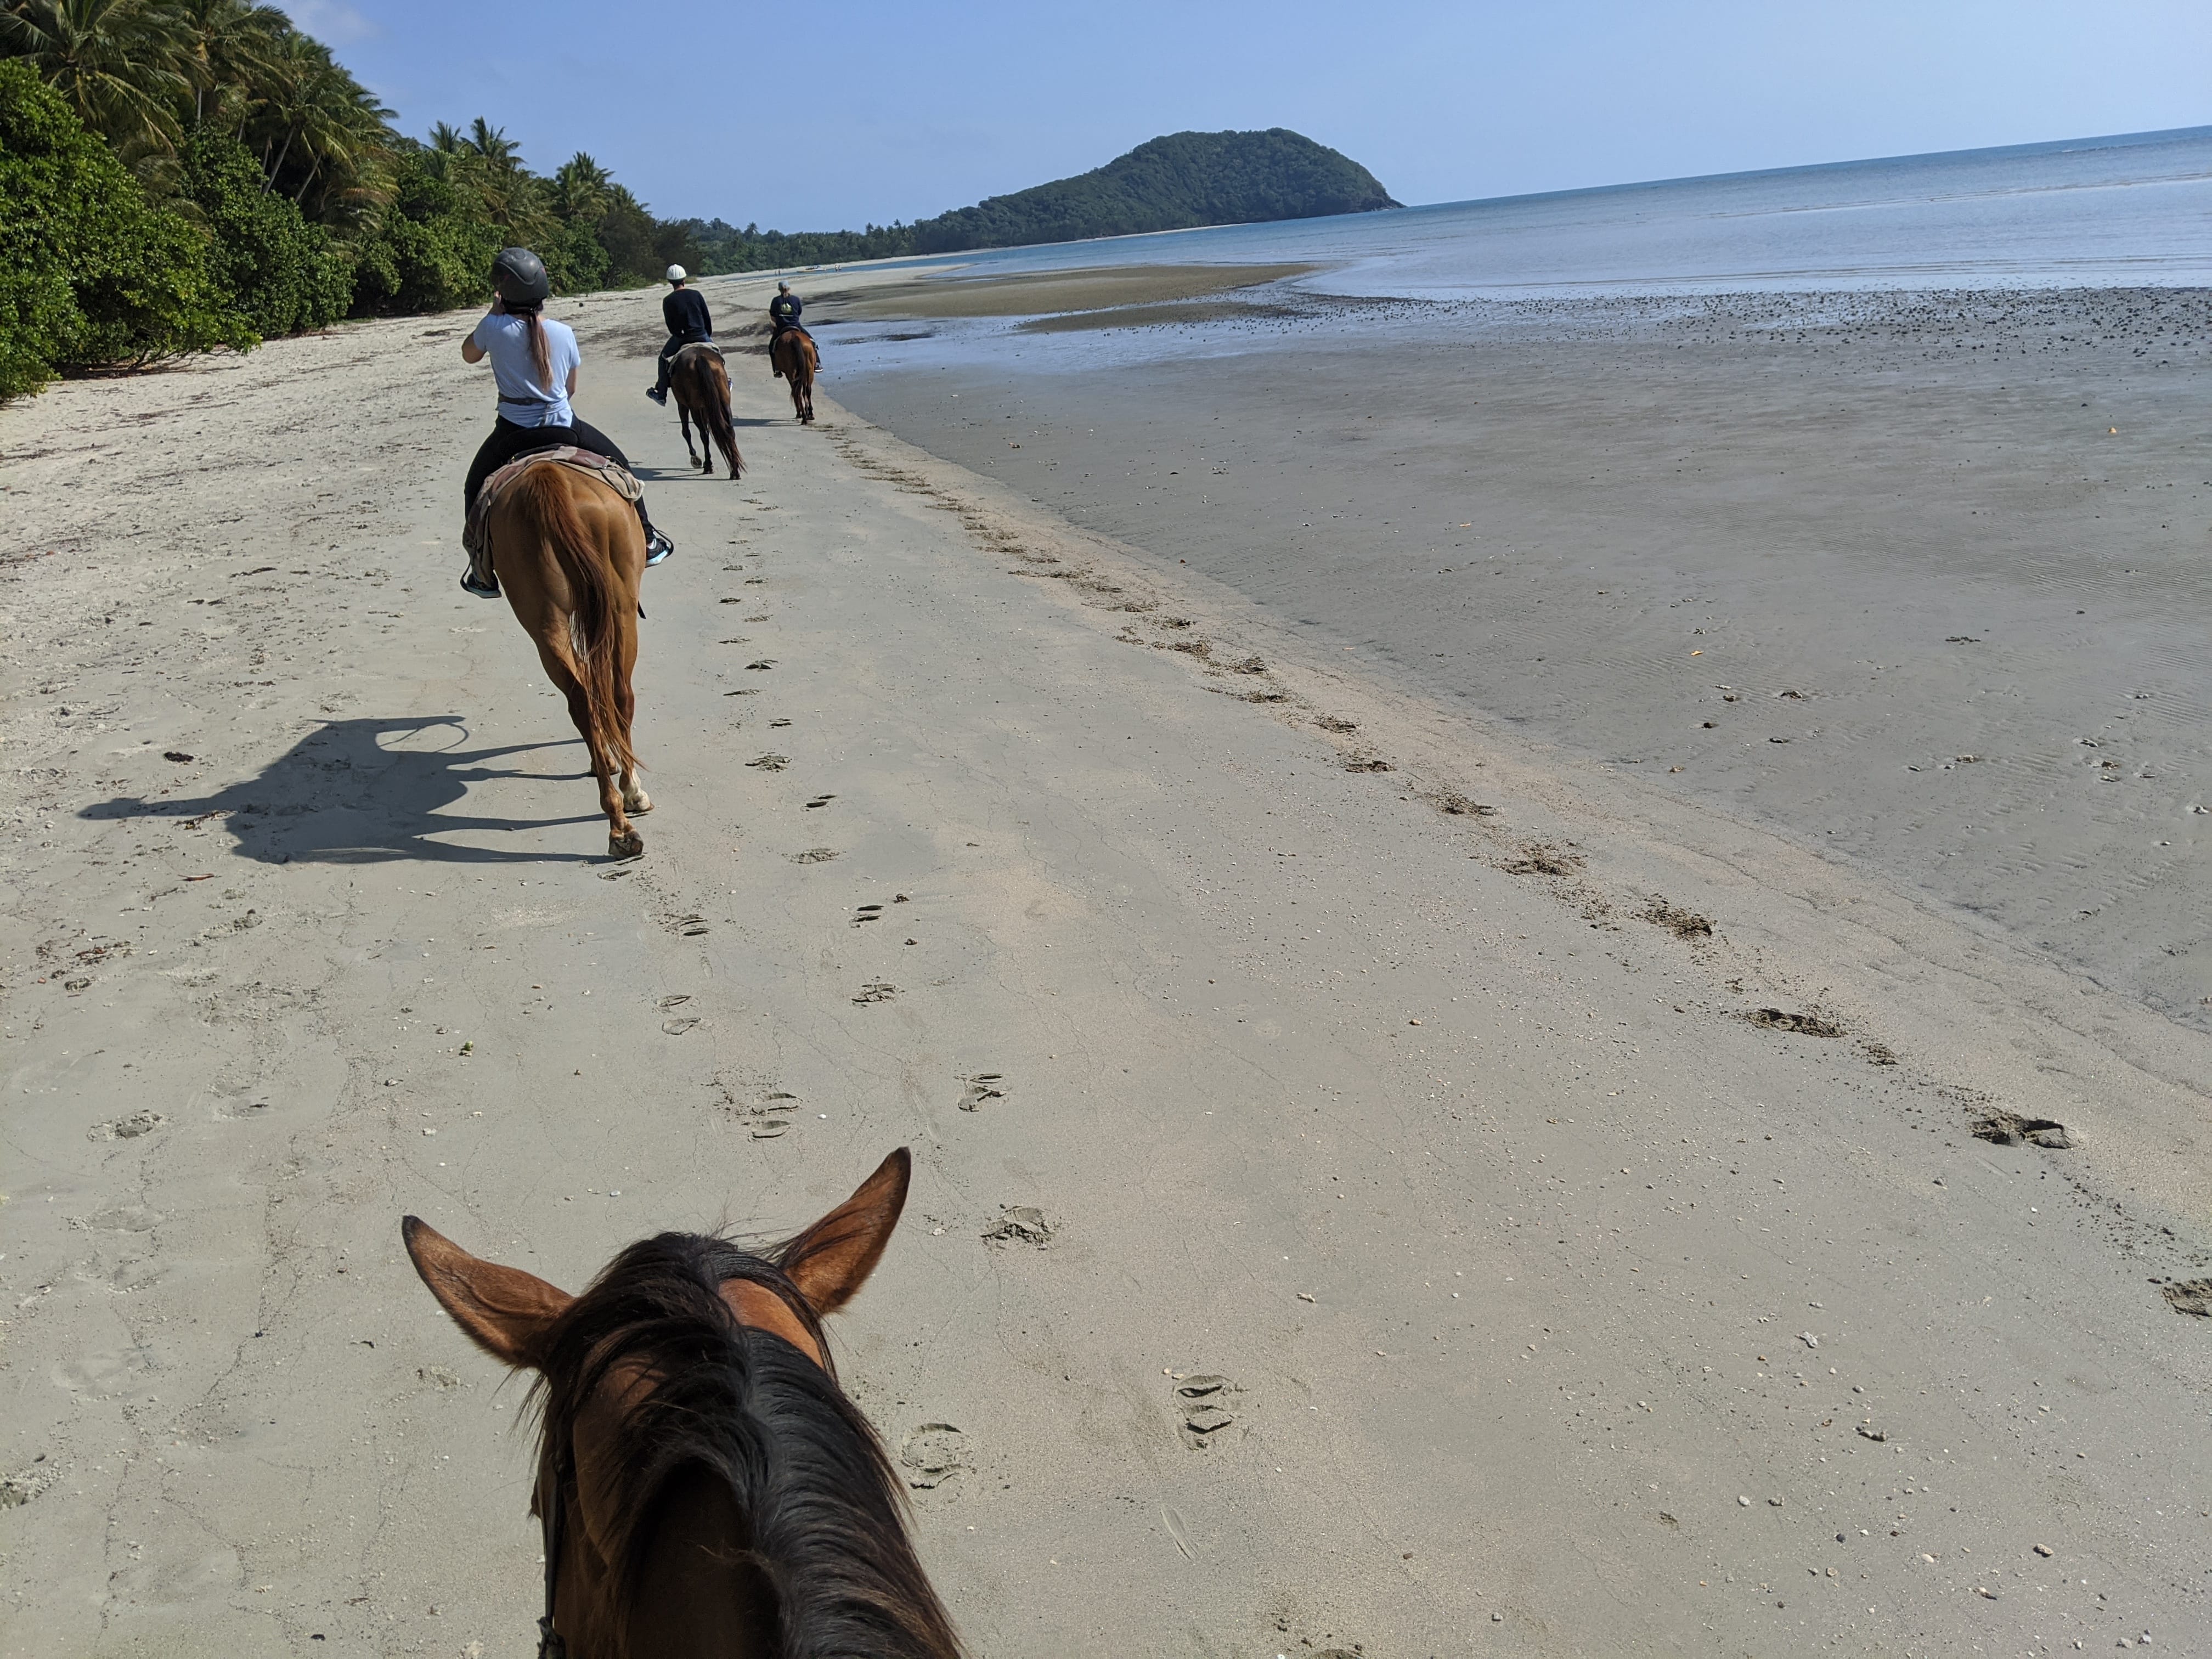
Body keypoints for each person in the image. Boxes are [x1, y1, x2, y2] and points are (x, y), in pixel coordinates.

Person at [459, 247, 673, 599]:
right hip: (564, 426)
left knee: (474, 488)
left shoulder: (492, 327)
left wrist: (492, 312)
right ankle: (647, 538)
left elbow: (469, 355)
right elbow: (570, 389)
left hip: (512, 433)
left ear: (503, 291)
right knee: (622, 466)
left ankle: (481, 570)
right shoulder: (563, 331)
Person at [646, 264, 713, 406]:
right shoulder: (696, 294)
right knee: (718, 354)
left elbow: (671, 327)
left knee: (663, 359)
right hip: (701, 335)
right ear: (684, 279)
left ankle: (661, 395)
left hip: (682, 338)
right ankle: (726, 381)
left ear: (670, 282)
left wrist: (679, 334)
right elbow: (707, 318)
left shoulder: (668, 300)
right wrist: (707, 335)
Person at [768, 280, 816, 374]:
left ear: (780, 290)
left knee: (771, 347)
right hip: (796, 325)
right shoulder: (795, 299)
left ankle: (776, 369)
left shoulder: (776, 301)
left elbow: (773, 317)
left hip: (782, 327)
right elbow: (799, 313)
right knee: (812, 342)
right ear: (789, 289)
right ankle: (817, 363)